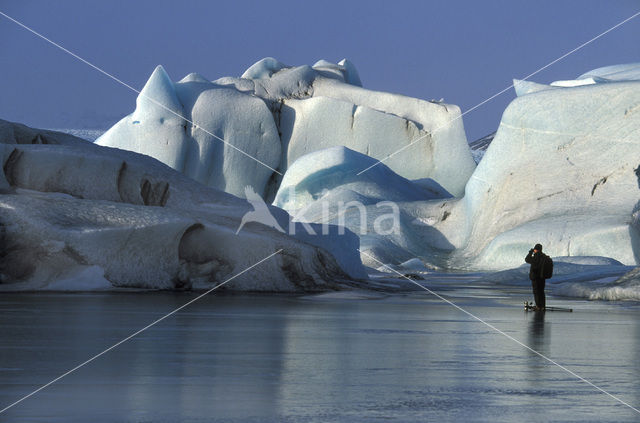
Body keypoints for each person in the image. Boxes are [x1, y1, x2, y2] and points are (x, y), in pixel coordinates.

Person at [525, 243, 546, 311]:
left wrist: (530, 252)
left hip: (536, 277)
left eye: (535, 249)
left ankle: (538, 306)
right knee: (541, 292)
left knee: (536, 292)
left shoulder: (536, 257)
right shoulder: (544, 256)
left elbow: (527, 259)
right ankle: (542, 306)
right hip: (542, 277)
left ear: (536, 249)